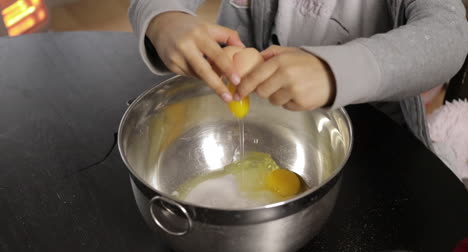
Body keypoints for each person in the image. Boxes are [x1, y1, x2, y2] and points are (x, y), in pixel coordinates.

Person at [128, 0, 468, 149]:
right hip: (262, 127)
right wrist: (164, 18)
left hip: (379, 148)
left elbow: (449, 36)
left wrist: (333, 72)